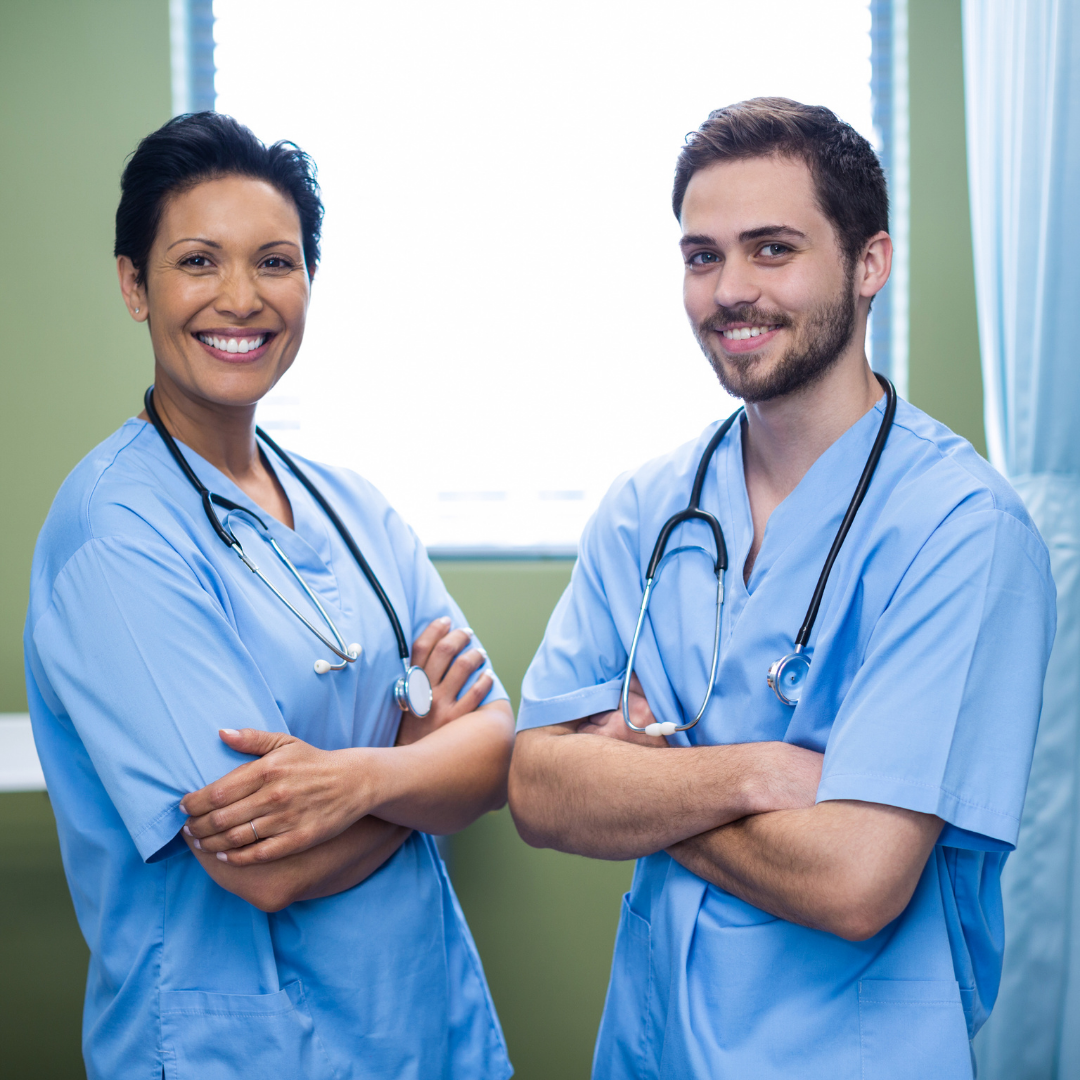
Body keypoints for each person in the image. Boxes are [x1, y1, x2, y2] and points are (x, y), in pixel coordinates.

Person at [508, 97, 1056, 1079]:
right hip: (652, 1046)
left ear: (869, 263)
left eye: (772, 249)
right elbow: (540, 793)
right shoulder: (650, 505)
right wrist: (757, 773)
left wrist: (634, 786)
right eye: (702, 255)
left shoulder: (960, 531)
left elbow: (855, 879)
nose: (729, 290)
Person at [24, 112, 514, 1080]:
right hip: (241, 1050)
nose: (240, 299)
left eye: (275, 262)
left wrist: (359, 781)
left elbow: (497, 754)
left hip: (425, 1032)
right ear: (135, 285)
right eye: (198, 261)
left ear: (309, 284)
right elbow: (263, 863)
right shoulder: (116, 535)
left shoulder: (352, 506)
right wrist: (421, 771)